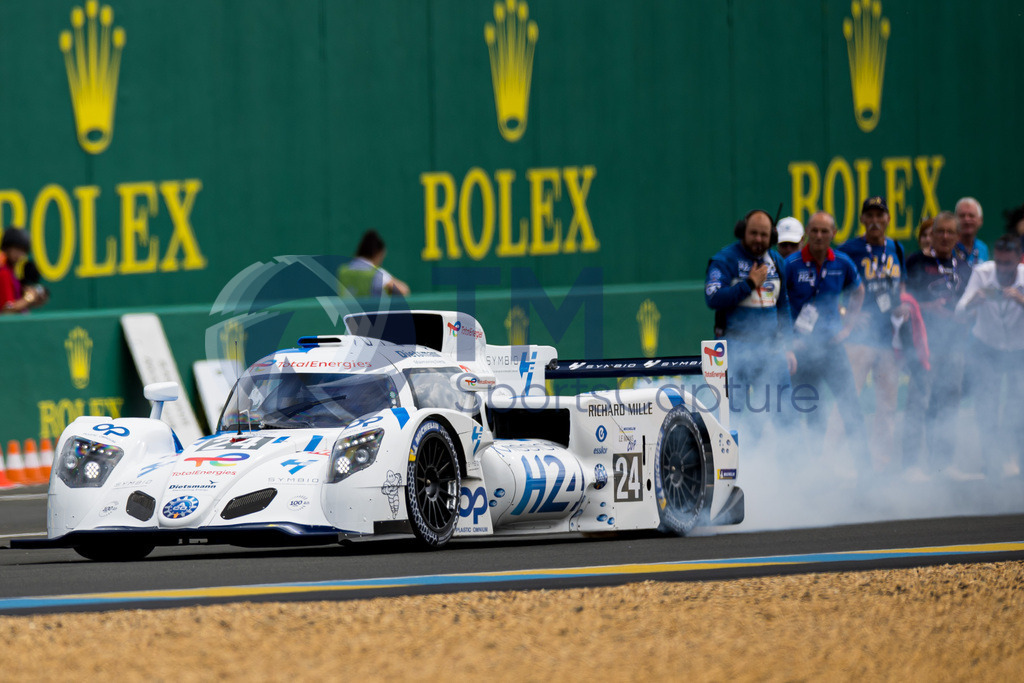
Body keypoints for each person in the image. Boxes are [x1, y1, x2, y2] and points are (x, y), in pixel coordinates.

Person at [783, 211, 867, 466]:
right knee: (810, 410)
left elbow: (859, 290)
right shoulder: (792, 264)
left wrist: (848, 327)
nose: (819, 236)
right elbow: (779, 303)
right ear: (807, 232)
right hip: (802, 351)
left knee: (850, 406)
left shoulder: (842, 262)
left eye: (824, 231)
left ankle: (866, 471)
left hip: (833, 348)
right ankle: (811, 469)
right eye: (815, 230)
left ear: (834, 233)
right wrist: (788, 343)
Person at [705, 209, 795, 442]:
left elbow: (783, 306)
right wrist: (749, 284)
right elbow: (713, 299)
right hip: (734, 348)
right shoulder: (724, 260)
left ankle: (793, 468)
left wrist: (789, 346)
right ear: (742, 232)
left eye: (764, 235)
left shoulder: (777, 261)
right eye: (753, 233)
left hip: (772, 350)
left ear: (772, 236)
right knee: (729, 416)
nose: (758, 239)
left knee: (785, 413)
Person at [836, 196, 906, 470]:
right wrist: (846, 314)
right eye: (870, 215)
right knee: (846, 402)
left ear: (888, 218)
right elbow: (830, 285)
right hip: (858, 341)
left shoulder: (895, 248)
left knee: (887, 406)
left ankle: (881, 464)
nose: (876, 220)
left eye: (881, 214)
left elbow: (900, 288)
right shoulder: (850, 249)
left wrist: (902, 305)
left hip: (888, 338)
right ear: (863, 219)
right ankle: (836, 463)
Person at [903, 211, 972, 479]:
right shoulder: (915, 262)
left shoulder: (964, 268)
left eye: (949, 232)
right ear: (930, 235)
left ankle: (944, 464)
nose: (944, 237)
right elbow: (902, 296)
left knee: (949, 403)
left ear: (957, 237)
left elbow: (973, 303)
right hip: (923, 346)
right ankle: (911, 465)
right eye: (938, 231)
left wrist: (966, 315)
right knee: (917, 402)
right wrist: (925, 307)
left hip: (955, 346)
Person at [954, 234, 1024, 477]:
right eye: (1000, 262)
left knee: (1019, 407)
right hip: (987, 347)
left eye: (1009, 263)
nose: (1003, 269)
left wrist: (1021, 300)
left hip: (1019, 350)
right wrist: (974, 300)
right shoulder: (983, 273)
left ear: (1018, 260)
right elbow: (959, 310)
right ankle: (991, 464)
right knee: (987, 406)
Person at [338, 230, 410, 298]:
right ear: (378, 254)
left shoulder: (343, 270)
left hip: (347, 311)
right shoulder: (377, 274)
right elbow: (404, 290)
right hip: (370, 310)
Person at [953, 197, 989, 266]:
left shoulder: (983, 248)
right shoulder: (948, 247)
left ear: (980, 220)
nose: (967, 220)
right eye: (962, 216)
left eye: (971, 216)